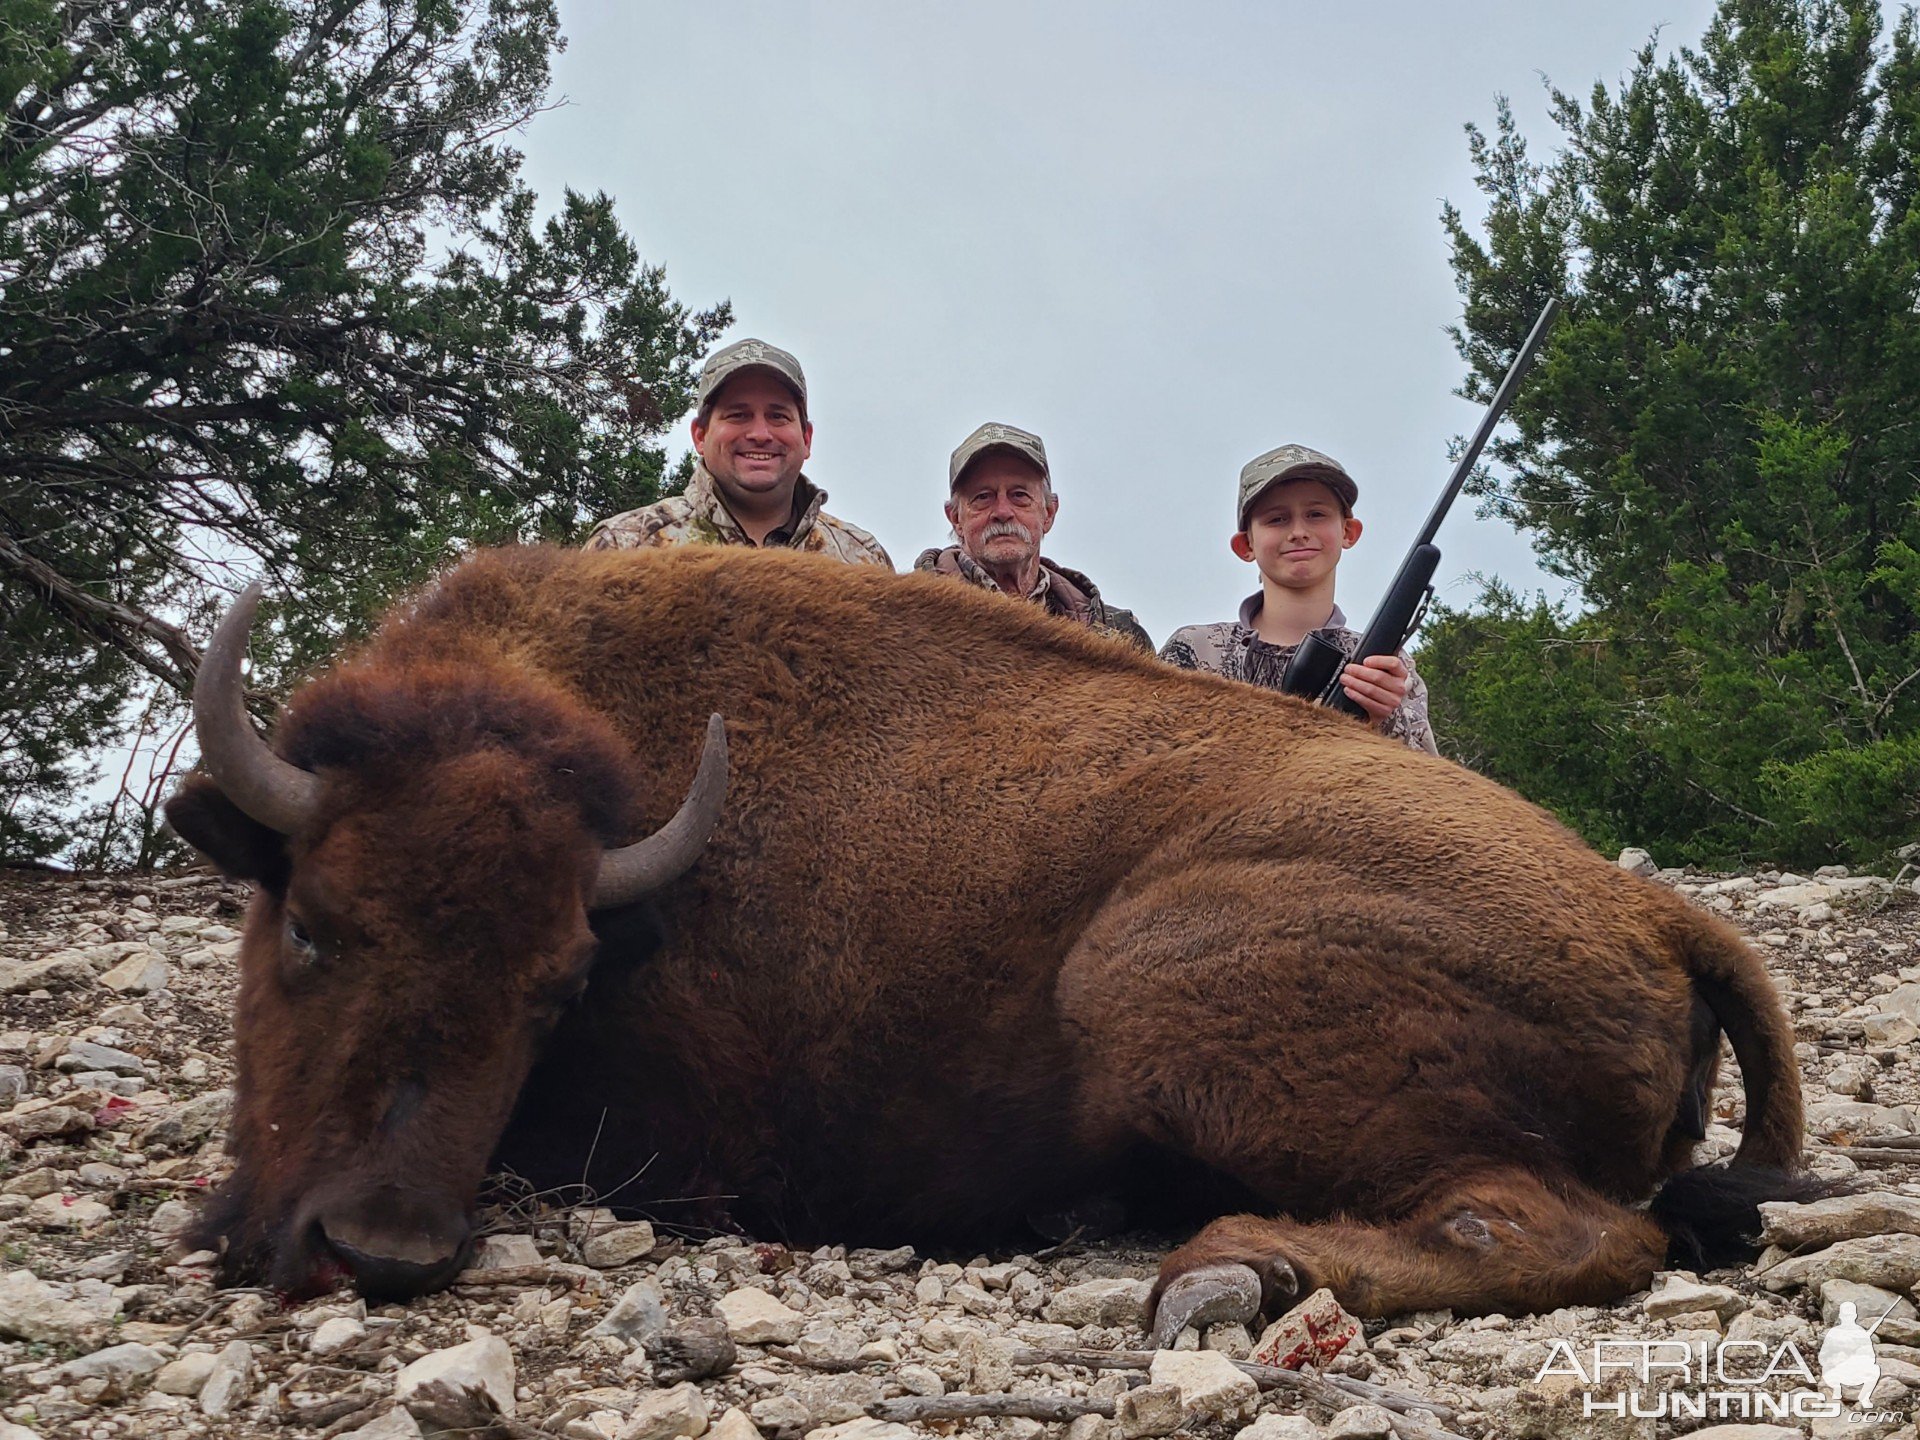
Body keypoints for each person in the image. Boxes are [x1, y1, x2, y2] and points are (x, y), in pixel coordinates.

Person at [1160, 444, 1438, 753]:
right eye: (1277, 519)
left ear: (1349, 532)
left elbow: (1430, 787)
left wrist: (1384, 719)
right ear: (1245, 545)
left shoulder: (1386, 668)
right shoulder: (1195, 650)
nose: (1298, 532)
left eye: (1316, 514)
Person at [586, 338, 891, 567]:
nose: (760, 434)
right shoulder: (623, 547)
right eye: (738, 415)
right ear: (700, 436)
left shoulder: (863, 559)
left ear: (806, 438)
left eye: (778, 416)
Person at [914, 421, 1152, 651]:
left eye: (1019, 495)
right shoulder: (910, 618)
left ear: (1048, 513)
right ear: (955, 518)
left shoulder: (1122, 637)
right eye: (983, 497)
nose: (1003, 512)